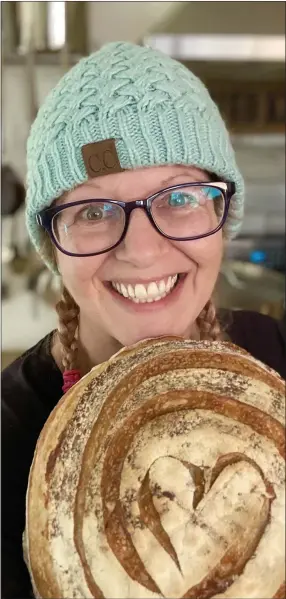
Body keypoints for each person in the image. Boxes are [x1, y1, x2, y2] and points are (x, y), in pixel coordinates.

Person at [2, 42, 285, 599]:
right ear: (51, 246)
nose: (142, 250)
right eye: (92, 211)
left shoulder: (276, 354)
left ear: (221, 213)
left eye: (179, 196)